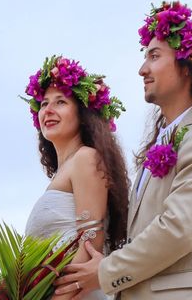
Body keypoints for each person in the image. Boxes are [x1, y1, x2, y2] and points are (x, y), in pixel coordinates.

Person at [53, 1, 192, 299]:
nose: (143, 69)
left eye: (154, 56)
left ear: (187, 66)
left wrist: (105, 273)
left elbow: (181, 228)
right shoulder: (161, 143)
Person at [22, 55, 130, 300]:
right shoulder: (65, 171)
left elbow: (90, 243)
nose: (47, 110)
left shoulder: (86, 158)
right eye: (44, 103)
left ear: (83, 114)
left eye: (60, 102)